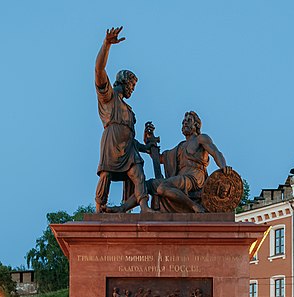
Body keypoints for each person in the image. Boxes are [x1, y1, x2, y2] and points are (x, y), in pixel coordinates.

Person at [94, 26, 152, 213]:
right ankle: (99, 207)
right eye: (131, 85)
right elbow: (99, 69)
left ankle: (144, 206)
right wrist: (107, 45)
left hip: (128, 147)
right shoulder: (108, 97)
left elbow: (131, 139)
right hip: (111, 142)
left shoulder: (129, 110)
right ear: (123, 82)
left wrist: (147, 146)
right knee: (107, 174)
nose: (132, 89)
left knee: (138, 172)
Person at [147, 112, 233, 212]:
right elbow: (159, 159)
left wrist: (223, 166)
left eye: (189, 121)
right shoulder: (180, 147)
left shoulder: (201, 139)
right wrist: (148, 142)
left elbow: (215, 152)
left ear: (196, 125)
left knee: (162, 188)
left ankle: (194, 206)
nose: (185, 123)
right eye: (183, 121)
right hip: (180, 179)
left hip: (195, 178)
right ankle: (126, 209)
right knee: (148, 185)